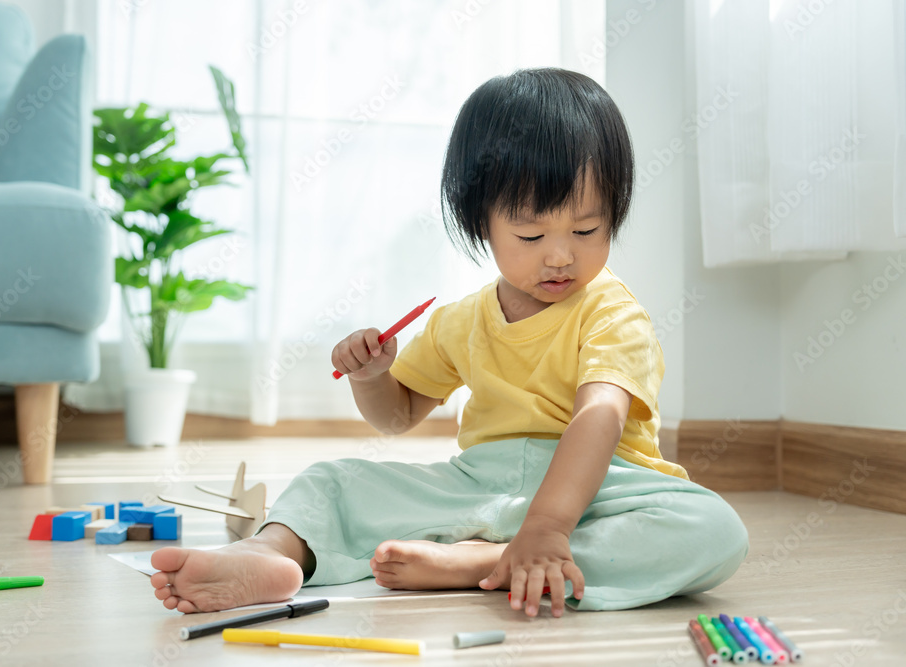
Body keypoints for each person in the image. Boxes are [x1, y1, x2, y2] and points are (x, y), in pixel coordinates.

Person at [150, 67, 749, 618]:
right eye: (532, 233)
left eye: (588, 229)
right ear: (478, 220)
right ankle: (272, 554)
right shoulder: (460, 320)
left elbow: (599, 417)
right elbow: (398, 416)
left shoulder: (611, 312)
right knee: (335, 480)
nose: (562, 254)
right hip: (481, 485)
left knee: (712, 529)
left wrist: (548, 524)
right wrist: (371, 377)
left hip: (601, 487)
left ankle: (491, 561)